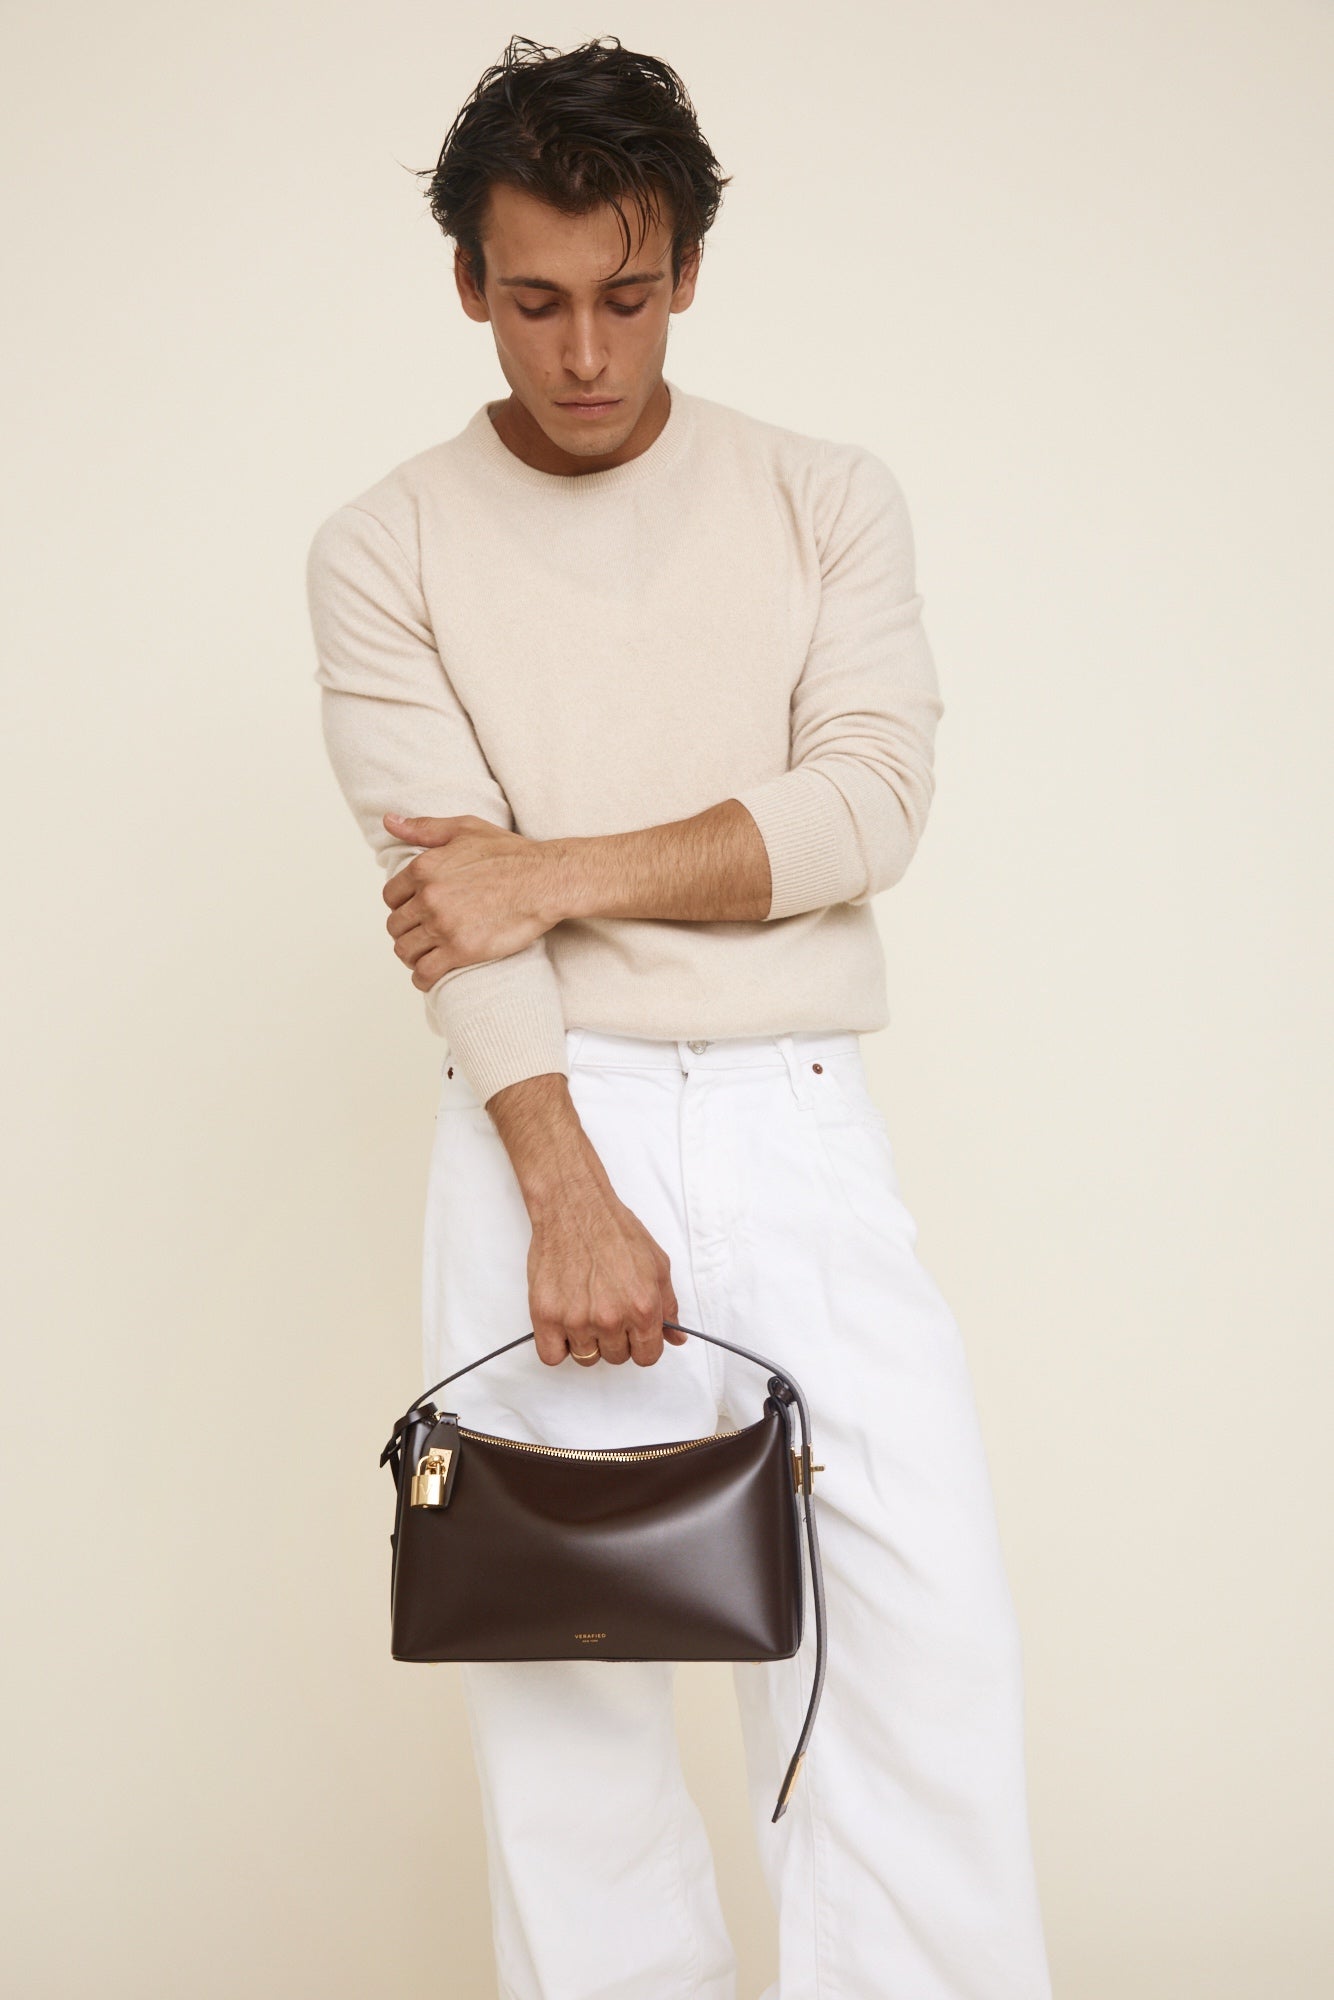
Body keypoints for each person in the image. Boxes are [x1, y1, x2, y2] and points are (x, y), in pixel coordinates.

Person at [305, 32, 1053, 2000]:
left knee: (912, 1654)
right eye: (535, 302)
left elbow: (864, 810)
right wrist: (564, 1185)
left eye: (625, 300)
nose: (583, 358)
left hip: (798, 1112)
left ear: (688, 271)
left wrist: (551, 865)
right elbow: (453, 927)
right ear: (468, 279)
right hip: (537, 1114)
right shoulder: (383, 547)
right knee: (562, 1698)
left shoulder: (823, 499)